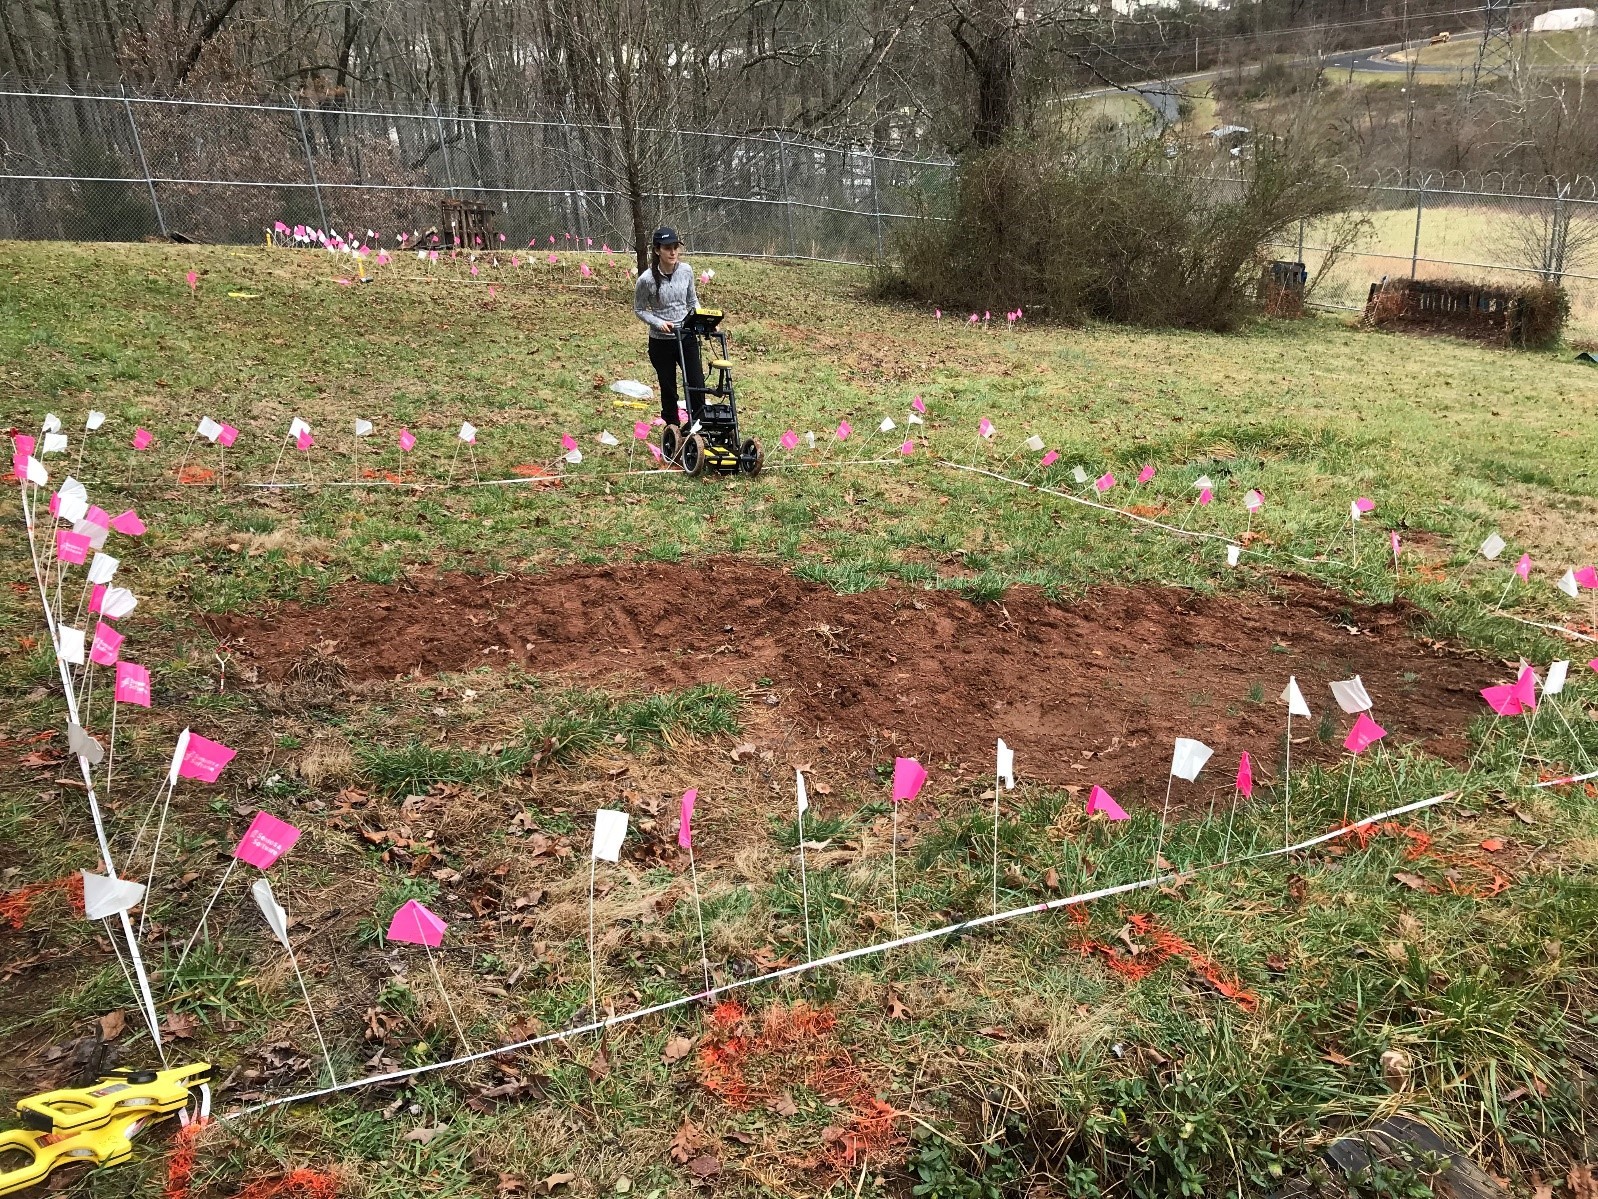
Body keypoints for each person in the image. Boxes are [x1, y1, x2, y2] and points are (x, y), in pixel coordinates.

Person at [633, 226, 704, 431]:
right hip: (661, 342)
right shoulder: (646, 280)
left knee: (696, 382)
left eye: (675, 247)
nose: (672, 252)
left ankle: (697, 424)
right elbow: (639, 309)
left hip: (686, 337)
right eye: (667, 248)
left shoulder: (686, 271)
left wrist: (699, 318)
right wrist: (657, 322)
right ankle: (672, 426)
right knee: (669, 388)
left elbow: (692, 300)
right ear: (657, 251)